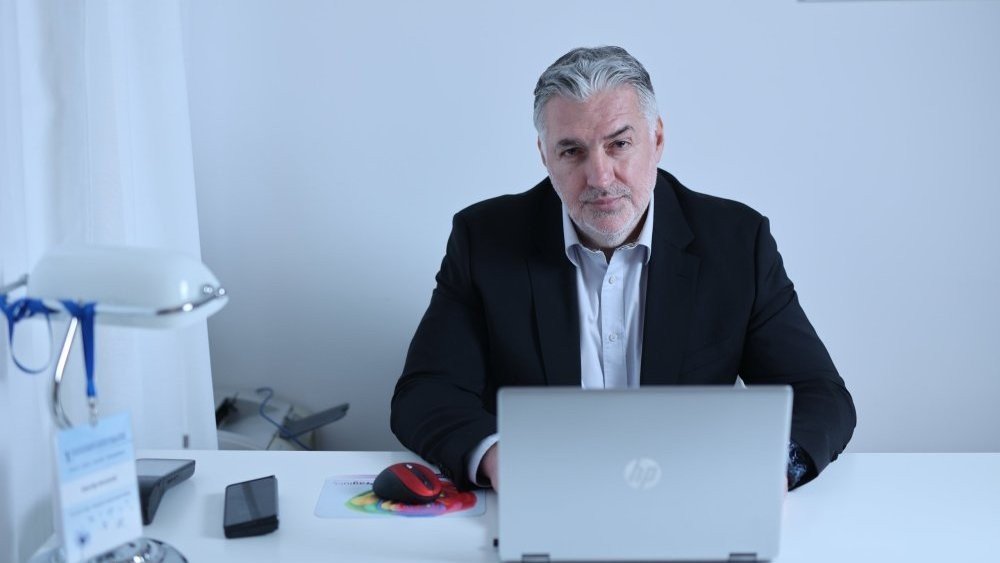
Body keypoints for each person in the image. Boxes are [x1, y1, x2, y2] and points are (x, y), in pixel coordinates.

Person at [391, 46, 855, 492]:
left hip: (687, 498)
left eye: (619, 144)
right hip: (546, 498)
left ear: (656, 139)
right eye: (571, 151)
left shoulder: (736, 242)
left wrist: (774, 467)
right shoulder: (484, 239)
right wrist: (497, 456)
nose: (600, 177)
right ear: (544, 156)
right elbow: (427, 392)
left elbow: (819, 395)